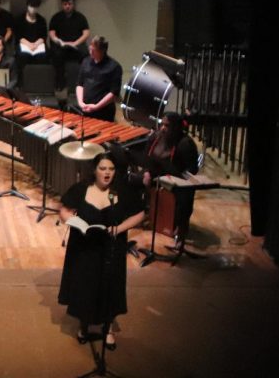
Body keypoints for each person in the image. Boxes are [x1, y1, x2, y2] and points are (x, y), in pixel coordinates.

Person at [58, 152, 145, 350]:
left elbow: (140, 213)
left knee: (110, 285)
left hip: (111, 247)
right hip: (84, 247)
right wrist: (73, 222)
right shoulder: (81, 189)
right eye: (103, 168)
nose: (107, 173)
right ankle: (84, 325)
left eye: (111, 169)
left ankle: (108, 329)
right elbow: (64, 210)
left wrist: (119, 229)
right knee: (85, 285)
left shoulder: (121, 190)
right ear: (95, 170)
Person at [142, 112, 200, 247]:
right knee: (131, 179)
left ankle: (181, 230)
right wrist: (146, 172)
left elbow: (192, 169)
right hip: (156, 174)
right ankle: (142, 214)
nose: (162, 128)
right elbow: (146, 158)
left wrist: (175, 179)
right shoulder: (155, 136)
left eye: (167, 126)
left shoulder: (186, 144)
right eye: (162, 124)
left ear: (176, 127)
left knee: (186, 194)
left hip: (176, 179)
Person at [49, 0, 91, 91]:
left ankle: (84, 83)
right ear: (62, 4)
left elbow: (86, 33)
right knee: (56, 54)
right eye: (65, 4)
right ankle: (60, 83)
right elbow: (51, 33)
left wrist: (76, 43)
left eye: (70, 4)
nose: (67, 6)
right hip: (61, 45)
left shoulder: (80, 17)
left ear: (73, 4)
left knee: (86, 54)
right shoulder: (56, 17)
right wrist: (58, 41)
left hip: (76, 44)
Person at [76, 36, 122, 121]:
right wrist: (80, 102)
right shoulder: (86, 61)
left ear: (102, 50)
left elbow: (113, 93)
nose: (91, 52)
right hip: (85, 110)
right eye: (90, 49)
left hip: (104, 112)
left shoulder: (114, 67)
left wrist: (96, 107)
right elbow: (80, 84)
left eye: (94, 50)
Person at [13, 0, 48, 71]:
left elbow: (43, 36)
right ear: (27, 6)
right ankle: (22, 80)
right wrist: (29, 44)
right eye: (31, 6)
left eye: (35, 7)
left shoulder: (41, 20)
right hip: (24, 44)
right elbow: (18, 36)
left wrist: (35, 44)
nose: (33, 9)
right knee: (22, 56)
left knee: (43, 56)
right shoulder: (20, 19)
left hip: (38, 45)